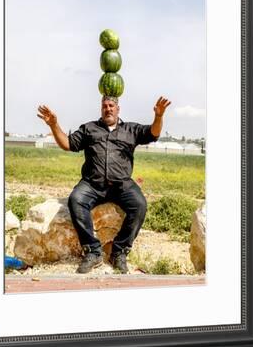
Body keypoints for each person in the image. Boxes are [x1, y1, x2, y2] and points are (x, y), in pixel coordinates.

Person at [37, 95, 171, 274]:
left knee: (139, 205)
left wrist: (159, 116)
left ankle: (119, 251)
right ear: (101, 109)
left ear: (118, 109)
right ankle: (93, 251)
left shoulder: (130, 129)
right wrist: (53, 124)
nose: (108, 109)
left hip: (122, 184)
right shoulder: (89, 129)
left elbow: (153, 133)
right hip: (92, 184)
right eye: (104, 106)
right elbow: (67, 144)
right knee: (76, 199)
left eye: (111, 106)